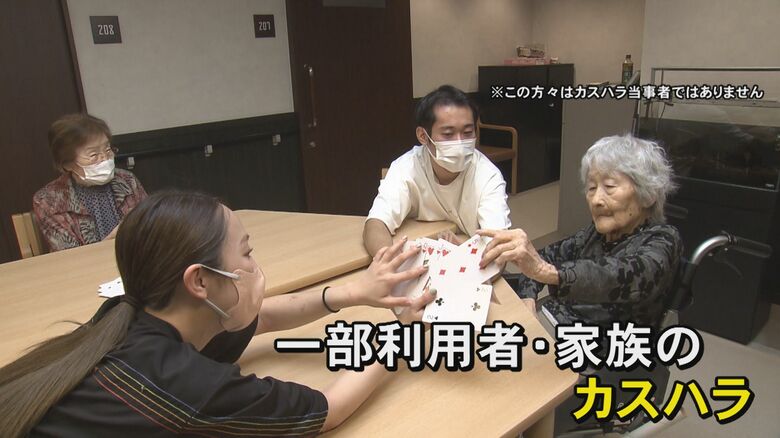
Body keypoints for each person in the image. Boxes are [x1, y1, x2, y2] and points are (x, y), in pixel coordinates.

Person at [0, 191, 435, 437]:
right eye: (246, 253)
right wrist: (400, 340)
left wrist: (352, 292)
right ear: (199, 282)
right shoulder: (191, 386)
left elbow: (262, 318)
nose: (254, 265)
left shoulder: (130, 315)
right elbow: (329, 410)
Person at [478, 134, 683, 329]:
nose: (596, 200)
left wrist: (545, 272)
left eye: (609, 186)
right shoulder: (596, 234)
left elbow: (621, 275)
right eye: (592, 188)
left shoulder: (663, 239)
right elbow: (542, 258)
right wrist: (528, 297)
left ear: (648, 194)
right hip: (555, 321)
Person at [363, 85, 511, 255]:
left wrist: (464, 253)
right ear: (423, 136)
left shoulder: (488, 176)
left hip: (473, 262)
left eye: (467, 132)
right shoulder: (406, 167)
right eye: (448, 134)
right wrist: (390, 261)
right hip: (416, 256)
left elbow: (499, 248)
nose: (459, 143)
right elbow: (376, 223)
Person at [33, 113, 147, 251]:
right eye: (93, 155)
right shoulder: (48, 200)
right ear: (67, 164)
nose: (105, 158)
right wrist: (112, 241)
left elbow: (152, 225)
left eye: (108, 150)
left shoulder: (127, 180)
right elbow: (69, 255)